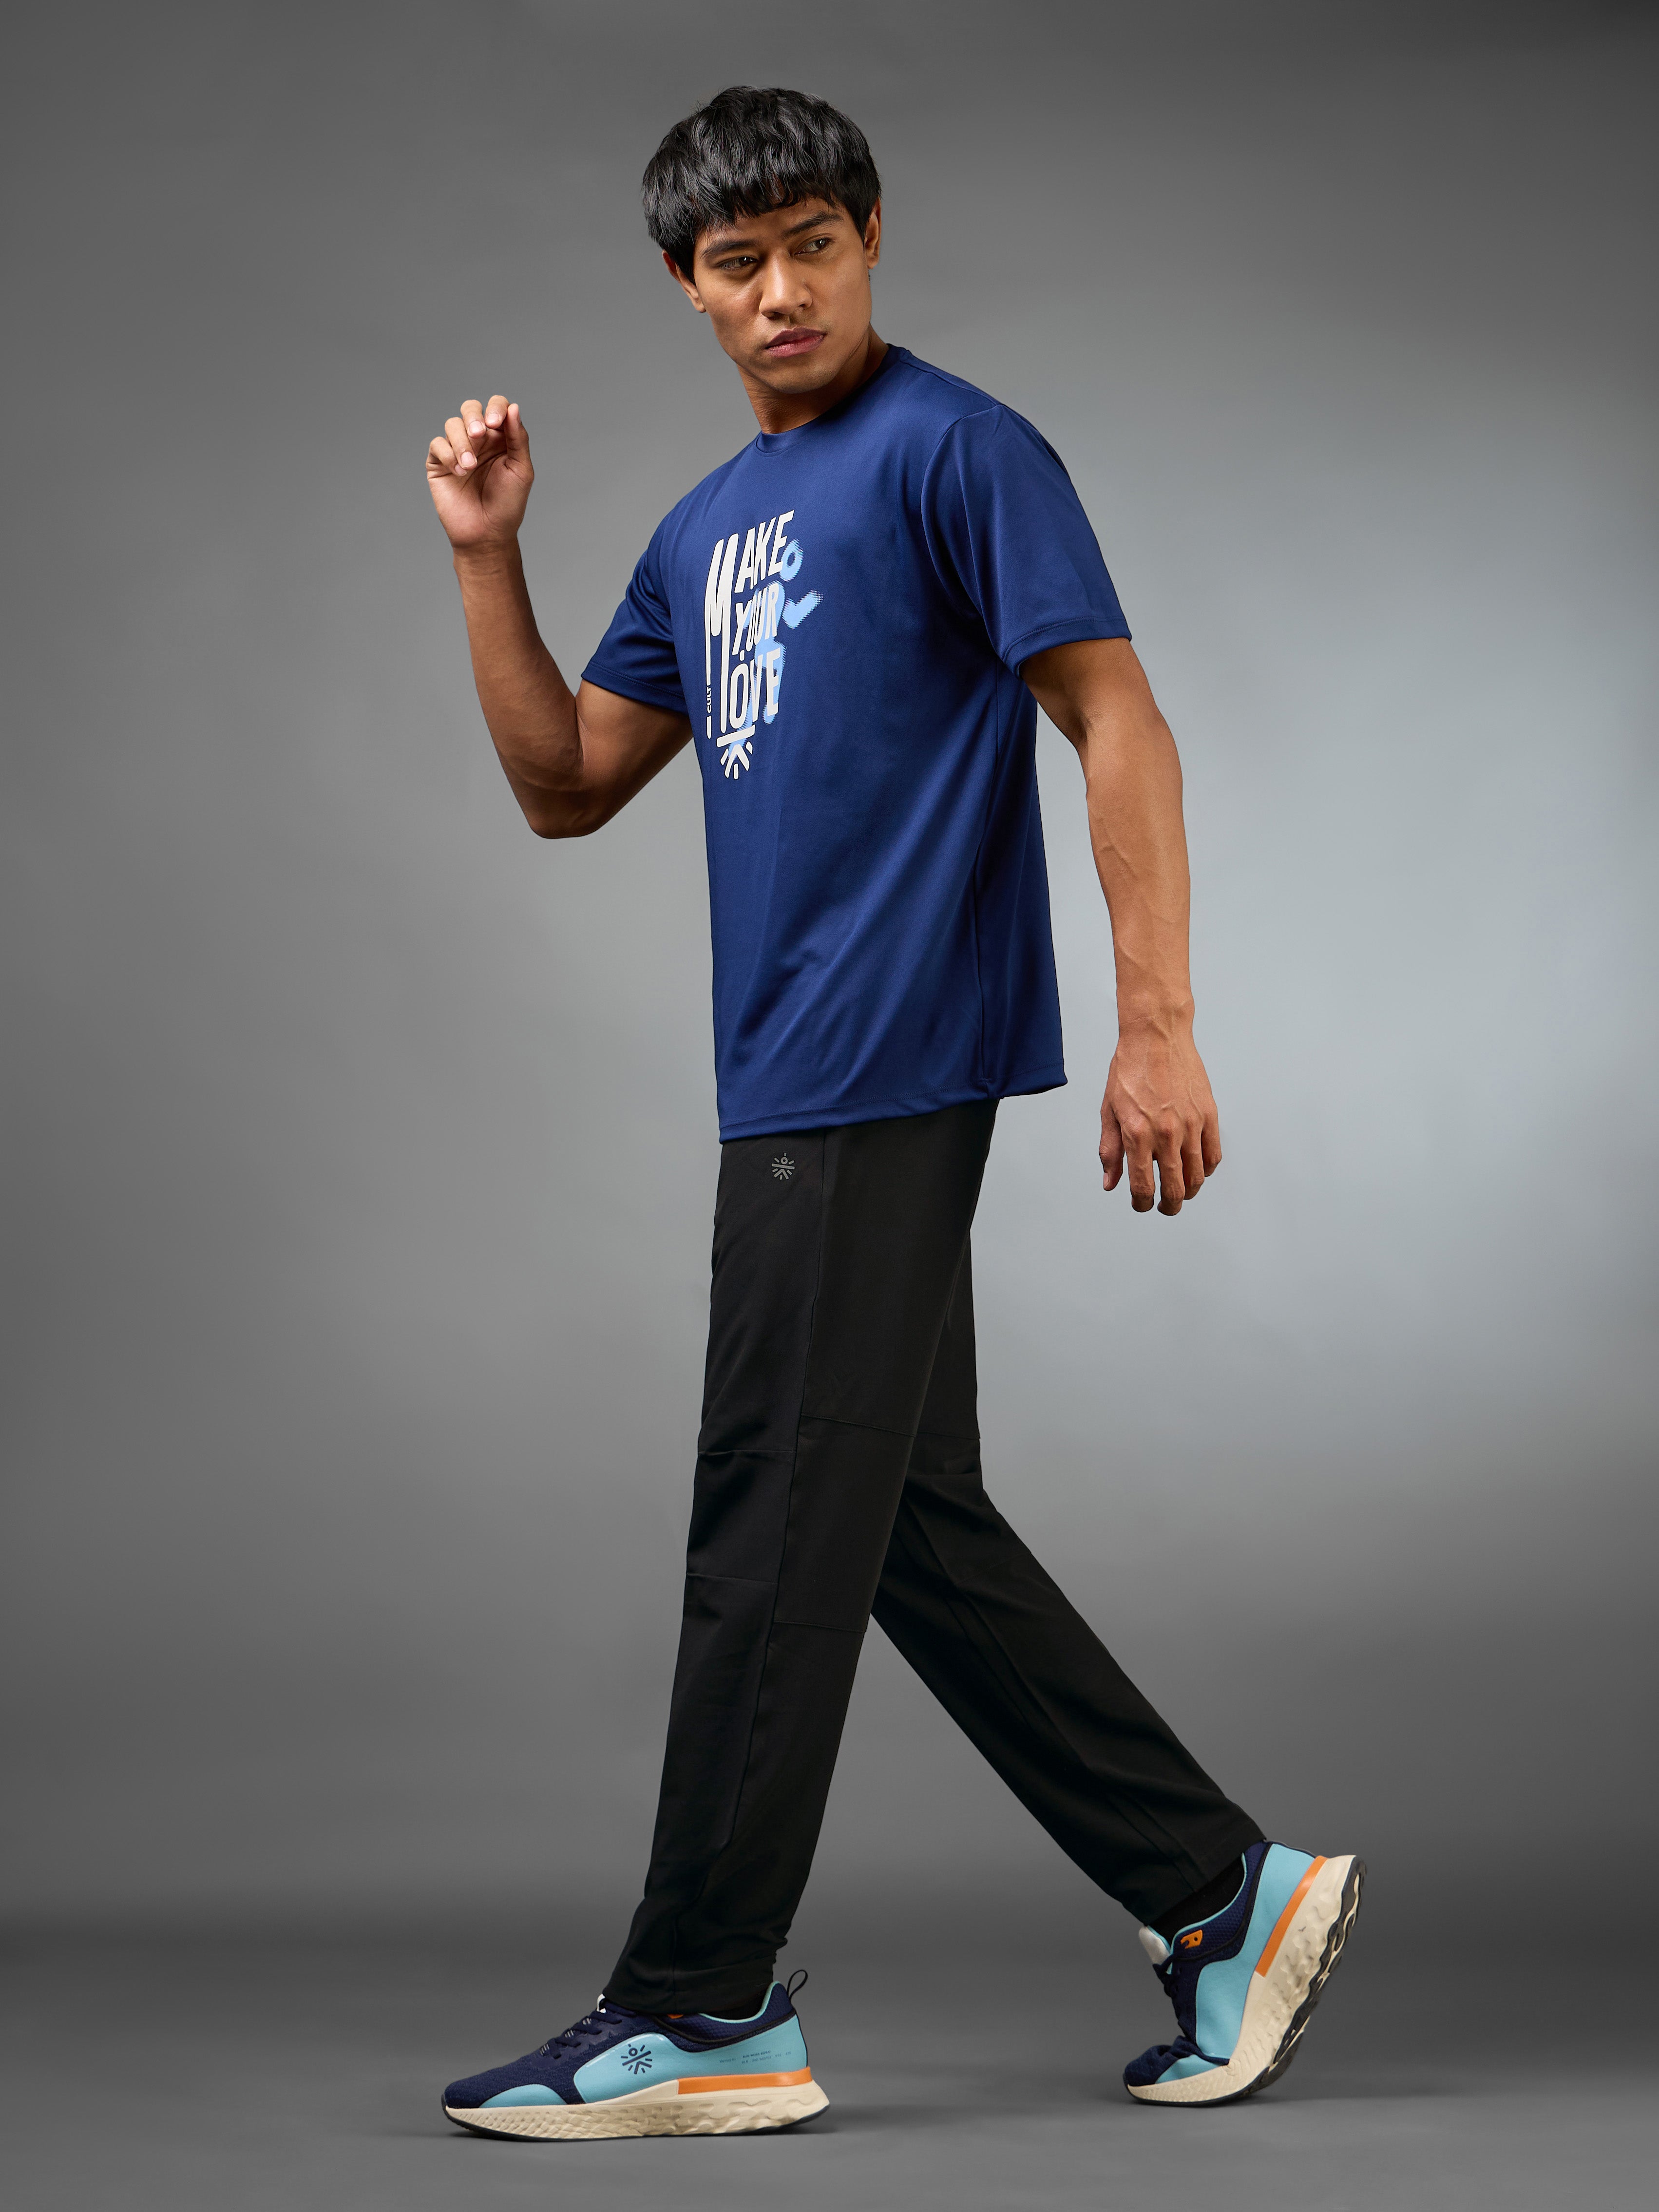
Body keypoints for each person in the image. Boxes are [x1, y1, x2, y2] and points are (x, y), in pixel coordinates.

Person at [425, 85, 1362, 2143]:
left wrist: (1159, 1022)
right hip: (785, 1070)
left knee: (768, 1514)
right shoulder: (702, 528)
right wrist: (490, 560)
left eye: (813, 247)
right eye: (737, 262)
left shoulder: (959, 449)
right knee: (894, 1526)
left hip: (882, 1059)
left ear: (868, 242)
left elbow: (1116, 713)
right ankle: (1227, 1895)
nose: (781, 290)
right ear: (688, 287)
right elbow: (568, 780)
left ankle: (701, 1999)